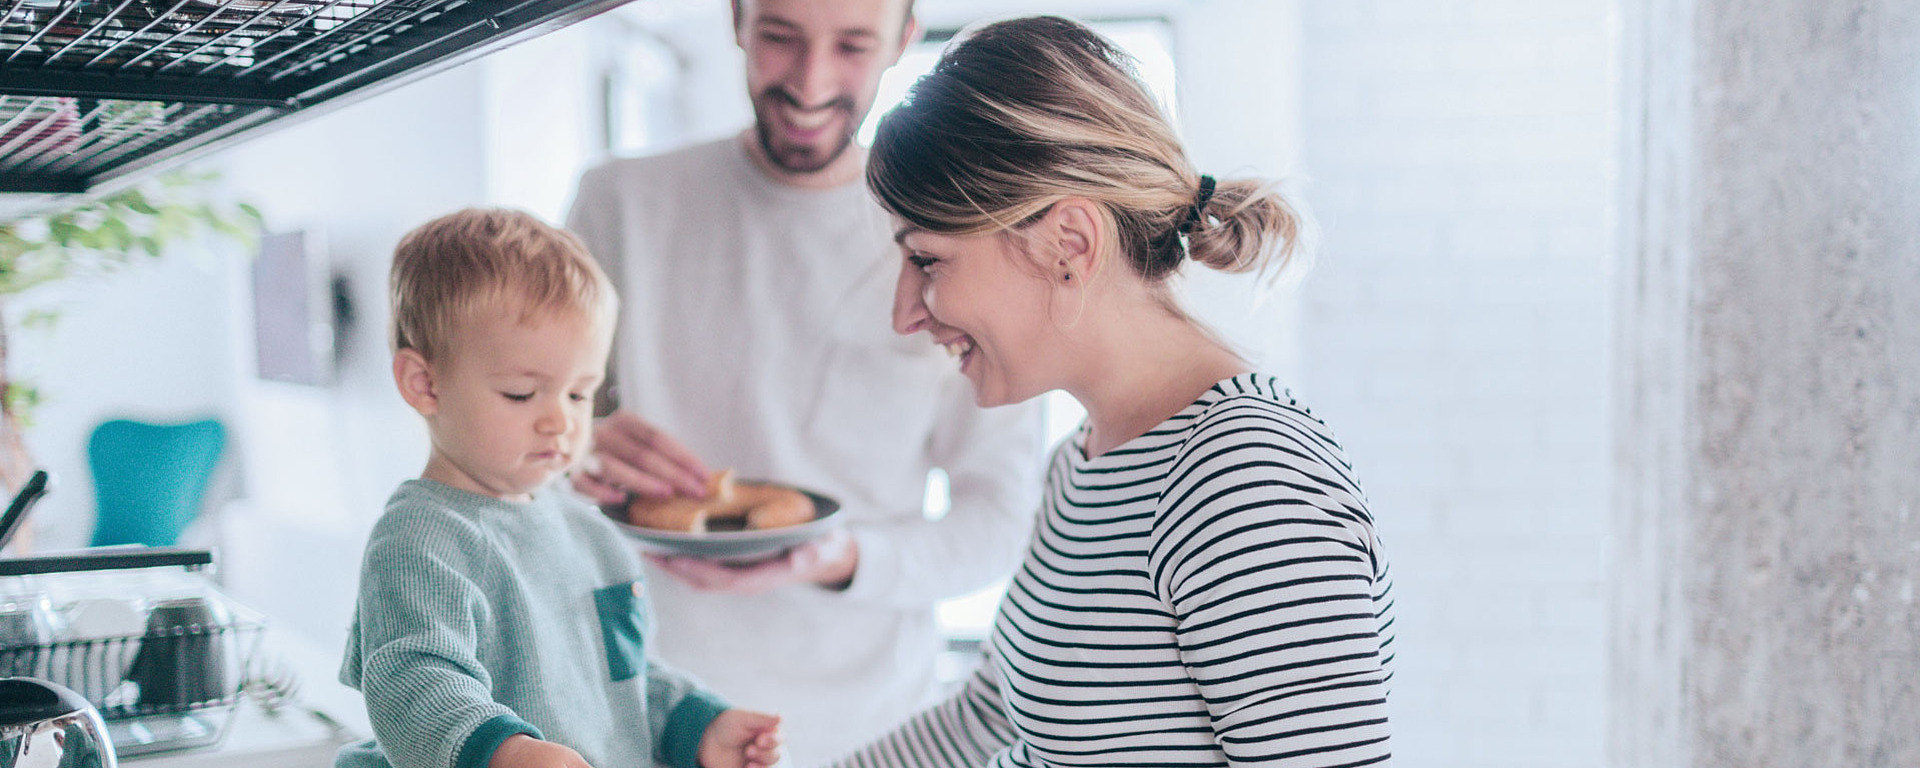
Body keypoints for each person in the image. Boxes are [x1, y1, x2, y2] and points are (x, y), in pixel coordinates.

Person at [832, 15, 1398, 768]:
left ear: (1069, 245)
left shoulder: (1245, 481)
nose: (906, 314)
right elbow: (989, 716)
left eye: (929, 261)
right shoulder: (1086, 459)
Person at [565, 0, 1047, 762]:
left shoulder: (955, 244)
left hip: (872, 730)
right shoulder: (618, 202)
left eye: (852, 45)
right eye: (780, 37)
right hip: (647, 712)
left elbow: (998, 521)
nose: (811, 81)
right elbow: (523, 436)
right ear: (735, 21)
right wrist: (572, 446)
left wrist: (846, 560)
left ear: (903, 41)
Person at [334, 209, 783, 768]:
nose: (561, 423)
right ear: (425, 384)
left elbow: (625, 685)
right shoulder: (421, 539)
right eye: (523, 394)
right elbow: (413, 683)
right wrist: (505, 752)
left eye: (579, 394)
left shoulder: (589, 532)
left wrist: (700, 727)